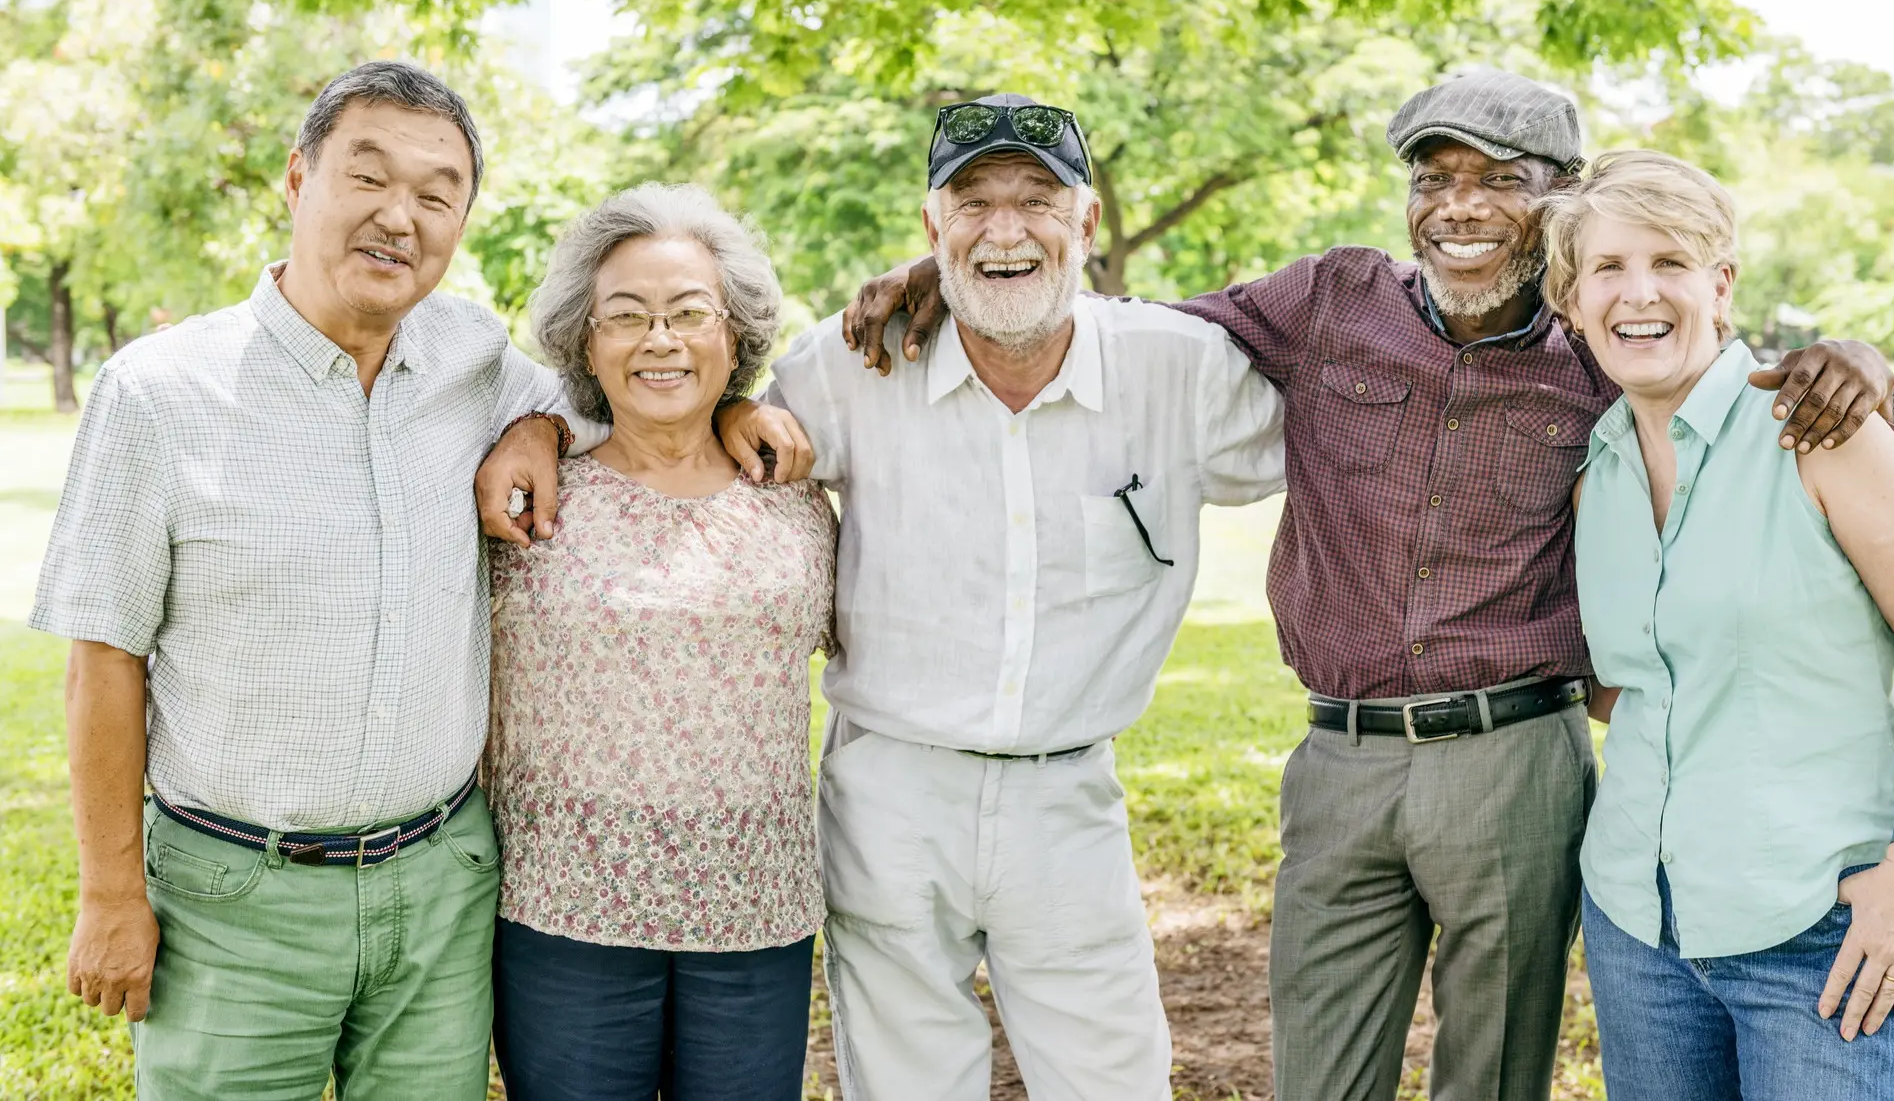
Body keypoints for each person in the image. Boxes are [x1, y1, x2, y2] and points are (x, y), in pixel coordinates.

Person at [836, 71, 1894, 1101]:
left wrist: (1853, 355)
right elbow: (1122, 329)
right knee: (1318, 1069)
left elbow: (1729, 361)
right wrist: (952, 275)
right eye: (1432, 179)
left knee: (1492, 1076)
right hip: (1338, 765)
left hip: (1515, 759)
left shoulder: (1596, 345)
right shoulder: (1328, 298)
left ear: (1562, 205)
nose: (1458, 207)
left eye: (1499, 179)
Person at [478, 92, 1288, 1099]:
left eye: (1036, 200)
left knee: (1113, 1081)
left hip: (1068, 792)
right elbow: (666, 399)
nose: (1005, 229)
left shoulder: (1180, 371)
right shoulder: (855, 363)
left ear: (1085, 223)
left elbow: (1349, 408)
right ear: (930, 230)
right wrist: (543, 426)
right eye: (971, 204)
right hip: (889, 791)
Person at [32, 61, 798, 1100]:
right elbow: (103, 658)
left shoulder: (471, 357)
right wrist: (111, 891)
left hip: (439, 891)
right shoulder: (159, 393)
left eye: (437, 195)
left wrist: (729, 411)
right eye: (369, 176)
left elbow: (621, 395)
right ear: (297, 180)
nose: (402, 217)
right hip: (233, 896)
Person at [1537, 151, 1894, 1101]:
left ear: (1723, 285)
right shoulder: (1595, 473)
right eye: (1607, 269)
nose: (1639, 293)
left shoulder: (1820, 433)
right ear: (1571, 303)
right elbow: (1630, 684)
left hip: (1827, 932)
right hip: (1641, 931)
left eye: (1670, 262)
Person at [484, 184, 836, 1101]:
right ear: (586, 343)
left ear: (735, 336)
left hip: (755, 908)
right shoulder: (528, 496)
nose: (660, 339)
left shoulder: (794, 498)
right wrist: (537, 426)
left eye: (689, 314)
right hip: (564, 909)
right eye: (627, 317)